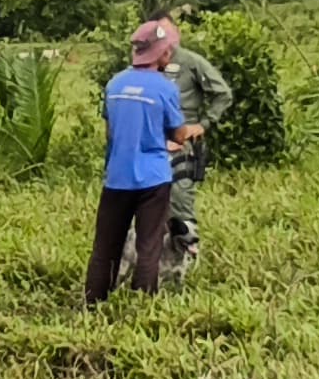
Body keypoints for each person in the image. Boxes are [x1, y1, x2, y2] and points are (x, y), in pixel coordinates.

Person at [87, 22, 191, 304]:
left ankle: (94, 300)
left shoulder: (114, 84)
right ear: (160, 54)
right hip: (153, 180)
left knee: (106, 245)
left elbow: (110, 133)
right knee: (149, 244)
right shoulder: (164, 88)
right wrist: (186, 132)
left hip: (117, 177)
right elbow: (178, 133)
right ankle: (143, 304)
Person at [159, 24, 234, 276]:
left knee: (180, 201)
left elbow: (223, 94)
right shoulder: (147, 63)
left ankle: (186, 269)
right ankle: (155, 267)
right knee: (151, 207)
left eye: (167, 32)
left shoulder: (191, 62)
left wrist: (202, 124)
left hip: (182, 144)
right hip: (153, 144)